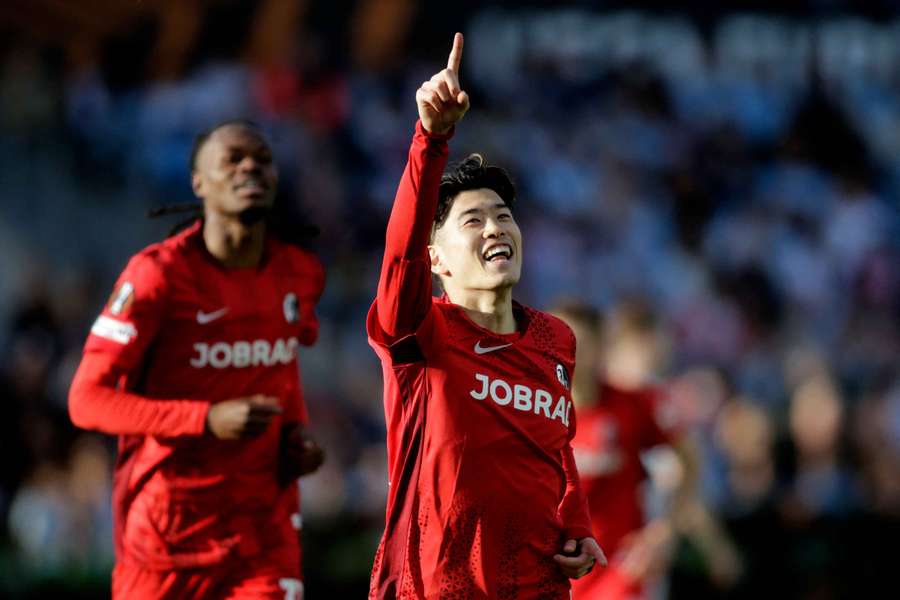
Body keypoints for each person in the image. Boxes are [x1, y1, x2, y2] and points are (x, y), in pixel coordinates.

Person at [366, 33, 606, 599]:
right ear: (437, 259)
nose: (496, 227)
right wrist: (432, 138)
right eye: (473, 221)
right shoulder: (421, 335)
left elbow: (558, 448)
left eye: (503, 215)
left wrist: (576, 525)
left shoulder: (557, 340)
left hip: (538, 587)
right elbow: (400, 254)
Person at [68, 120, 325, 600]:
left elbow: (282, 365)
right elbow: (86, 400)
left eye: (263, 159)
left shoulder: (300, 273)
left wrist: (295, 433)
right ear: (198, 182)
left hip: (262, 536)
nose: (251, 166)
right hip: (166, 541)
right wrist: (205, 419)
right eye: (232, 159)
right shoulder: (156, 276)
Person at [552, 300, 740, 599]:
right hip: (560, 573)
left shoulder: (634, 406)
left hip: (621, 572)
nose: (568, 353)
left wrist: (663, 532)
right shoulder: (532, 412)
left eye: (581, 344)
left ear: (602, 348)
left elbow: (689, 461)